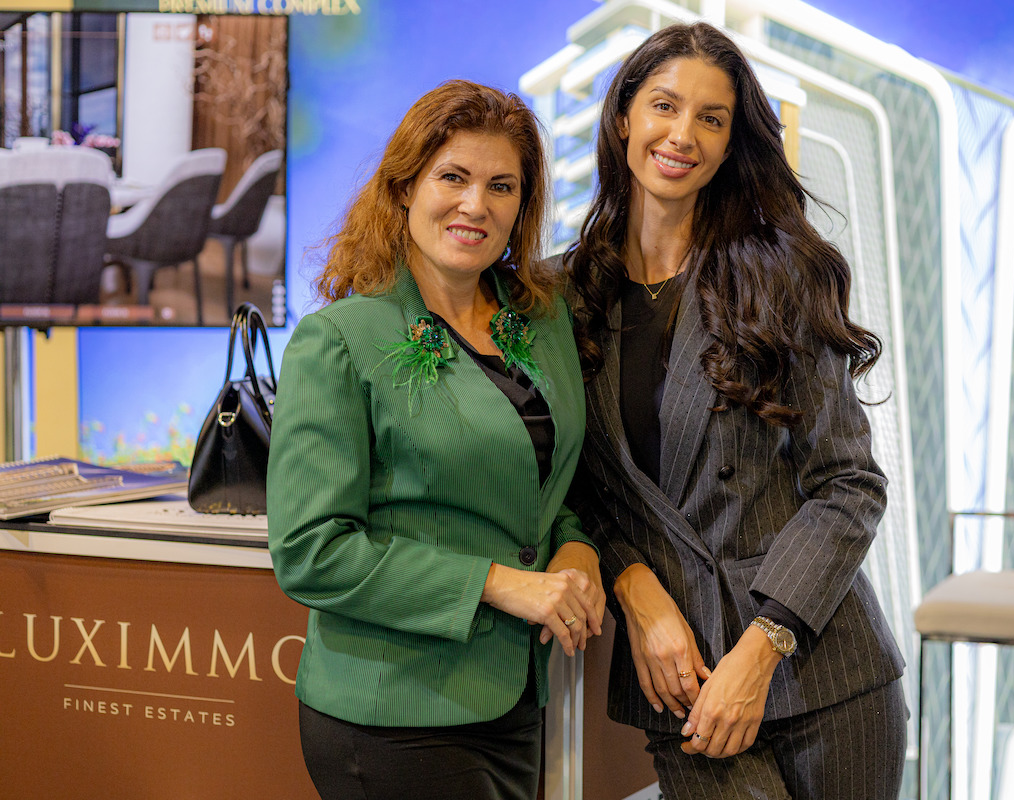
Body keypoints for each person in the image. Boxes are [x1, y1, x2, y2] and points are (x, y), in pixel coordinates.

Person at [565, 22, 906, 800]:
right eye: (664, 105)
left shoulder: (778, 276)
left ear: (729, 144)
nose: (682, 134)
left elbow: (850, 484)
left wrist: (763, 648)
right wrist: (634, 589)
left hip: (824, 672)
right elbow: (575, 492)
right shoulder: (565, 296)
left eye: (711, 118)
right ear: (623, 116)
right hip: (681, 678)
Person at [267, 80, 604, 800]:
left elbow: (545, 486)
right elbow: (311, 552)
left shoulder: (543, 322)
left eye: (502, 186)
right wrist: (500, 583)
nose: (476, 204)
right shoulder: (339, 340)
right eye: (453, 177)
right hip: (393, 712)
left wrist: (577, 547)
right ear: (404, 188)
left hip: (515, 700)